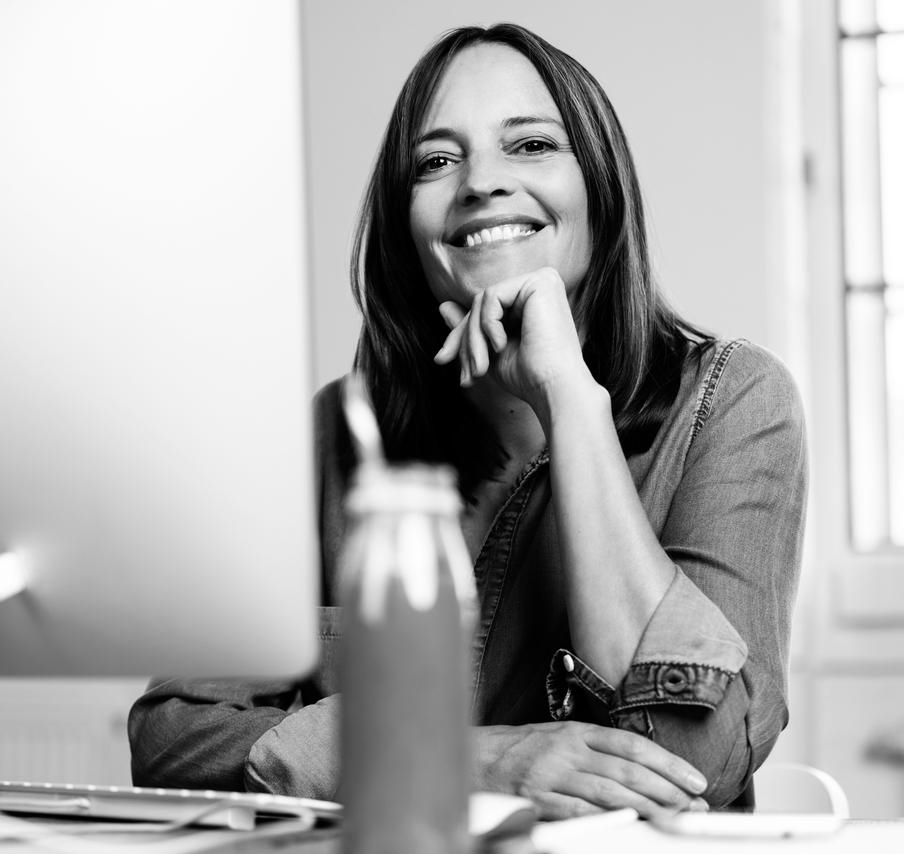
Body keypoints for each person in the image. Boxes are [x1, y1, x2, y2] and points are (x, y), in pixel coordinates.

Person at [128, 22, 806, 819]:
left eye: (530, 146)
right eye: (437, 161)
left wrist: (568, 399)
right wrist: (460, 758)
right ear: (403, 224)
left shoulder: (735, 401)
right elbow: (172, 738)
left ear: (599, 186)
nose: (481, 183)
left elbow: (694, 757)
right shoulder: (327, 440)